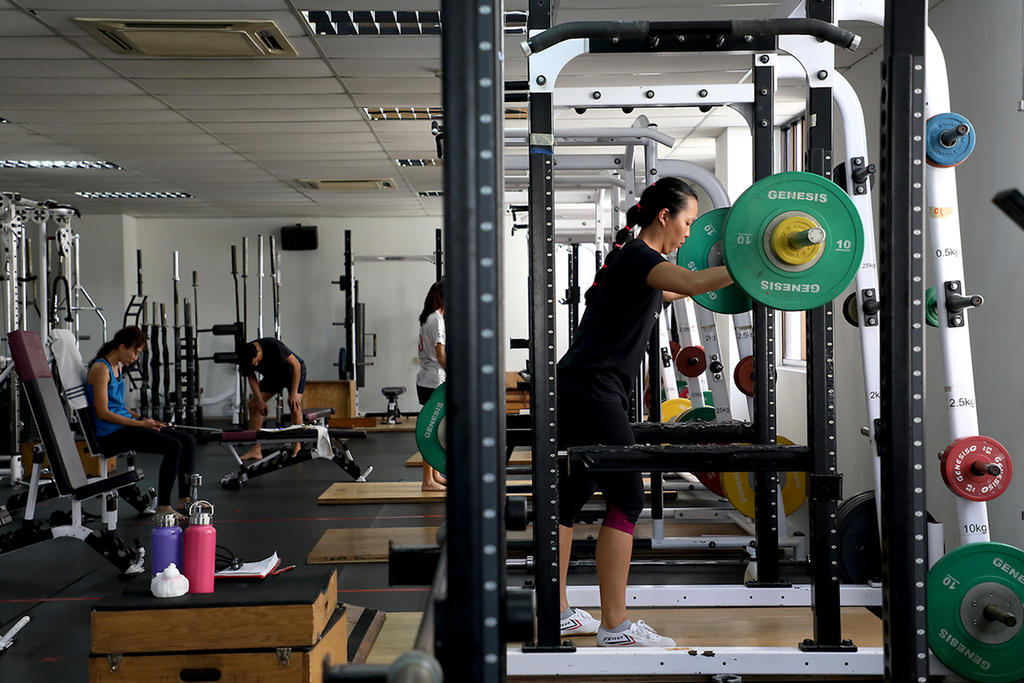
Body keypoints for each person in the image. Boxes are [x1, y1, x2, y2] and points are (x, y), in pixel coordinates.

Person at [556, 178, 734, 647]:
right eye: (688, 222)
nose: (689, 234)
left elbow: (678, 292)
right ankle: (615, 626)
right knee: (629, 498)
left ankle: (556, 612)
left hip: (579, 384)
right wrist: (746, 268)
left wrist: (717, 286)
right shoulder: (640, 258)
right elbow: (692, 280)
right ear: (664, 216)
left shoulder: (634, 263)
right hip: (595, 389)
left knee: (569, 499)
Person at [86, 326, 198, 521]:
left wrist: (143, 419)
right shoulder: (100, 369)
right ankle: (164, 506)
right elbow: (103, 413)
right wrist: (140, 425)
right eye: (135, 352)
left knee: (188, 440)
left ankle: (183, 499)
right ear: (122, 347)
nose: (136, 357)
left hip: (125, 427)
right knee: (174, 446)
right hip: (110, 435)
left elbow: (119, 406)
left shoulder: (118, 366)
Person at [237, 337, 306, 461]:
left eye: (257, 361)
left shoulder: (273, 345)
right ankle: (256, 449)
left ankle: (297, 447)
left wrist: (294, 393)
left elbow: (296, 365)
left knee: (294, 406)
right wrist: (260, 401)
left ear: (259, 352)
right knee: (253, 404)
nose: (257, 365)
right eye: (255, 364)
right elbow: (252, 378)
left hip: (293, 373)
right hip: (274, 376)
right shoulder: (245, 357)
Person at [416, 280, 447, 492]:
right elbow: (440, 353)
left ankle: (434, 474)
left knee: (435, 429)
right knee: (432, 431)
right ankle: (427, 480)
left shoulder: (429, 317)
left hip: (427, 379)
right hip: (433, 380)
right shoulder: (436, 318)